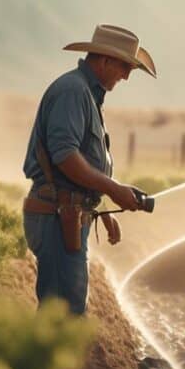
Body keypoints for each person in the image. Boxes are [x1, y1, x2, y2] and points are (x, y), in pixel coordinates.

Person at [22, 24, 157, 315]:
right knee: (63, 314)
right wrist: (112, 189)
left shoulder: (87, 94)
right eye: (125, 67)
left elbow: (82, 162)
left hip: (68, 214)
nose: (126, 76)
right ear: (105, 60)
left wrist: (104, 207)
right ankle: (48, 361)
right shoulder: (73, 92)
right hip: (57, 216)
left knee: (67, 308)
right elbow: (66, 157)